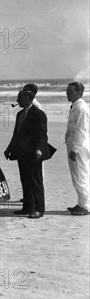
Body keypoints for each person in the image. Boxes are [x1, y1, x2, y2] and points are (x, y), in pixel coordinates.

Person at [4, 90, 50, 219]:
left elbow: (42, 135)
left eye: (19, 98)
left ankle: (39, 209)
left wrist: (39, 149)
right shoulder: (19, 114)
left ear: (27, 98)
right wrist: (9, 148)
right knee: (25, 180)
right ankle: (28, 207)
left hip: (34, 153)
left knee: (36, 181)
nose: (17, 101)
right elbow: (16, 134)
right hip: (21, 152)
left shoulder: (39, 114)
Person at [65, 82, 89, 216]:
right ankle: (82, 203)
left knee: (81, 176)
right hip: (75, 146)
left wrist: (74, 149)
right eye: (67, 91)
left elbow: (82, 131)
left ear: (79, 93)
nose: (67, 94)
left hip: (79, 147)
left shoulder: (81, 108)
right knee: (77, 176)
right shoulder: (76, 106)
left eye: (70, 92)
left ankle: (85, 206)